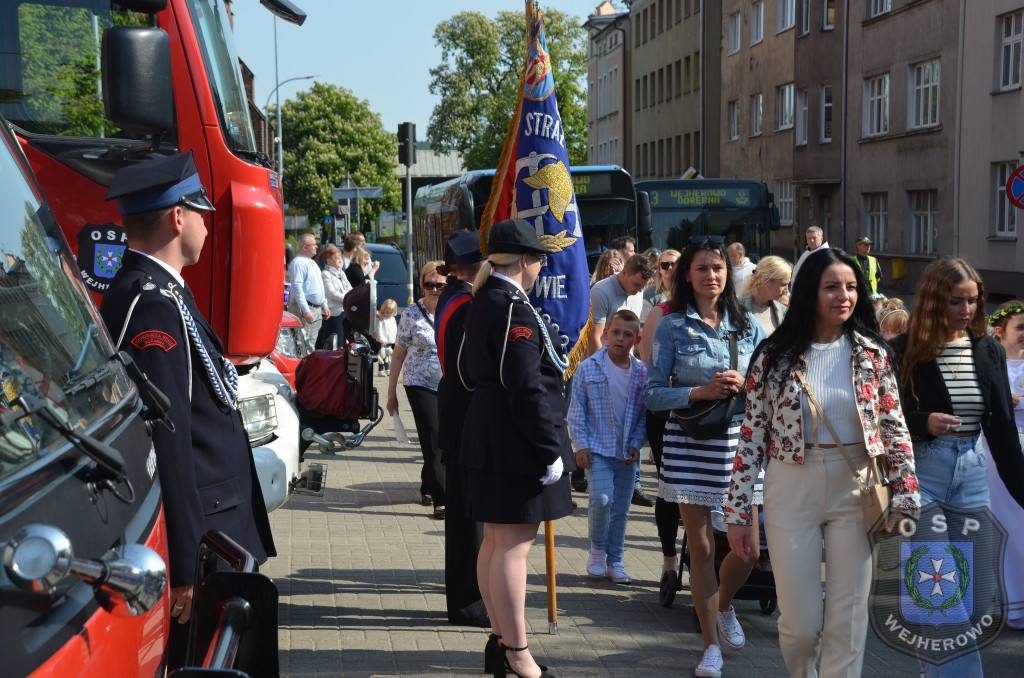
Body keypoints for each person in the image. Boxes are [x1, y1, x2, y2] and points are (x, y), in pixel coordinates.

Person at [100, 152, 275, 670]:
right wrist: (183, 565)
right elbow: (166, 438)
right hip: (204, 537)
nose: (206, 223)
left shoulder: (163, 292)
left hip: (217, 523)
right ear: (178, 217)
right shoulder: (152, 302)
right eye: (201, 212)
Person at [725, 248, 920, 678]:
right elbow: (752, 435)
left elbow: (894, 429)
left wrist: (906, 495)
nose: (844, 296)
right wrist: (739, 511)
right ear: (809, 290)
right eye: (832, 286)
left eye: (851, 287)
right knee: (801, 625)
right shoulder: (773, 356)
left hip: (859, 486)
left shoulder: (874, 354)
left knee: (847, 624)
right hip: (791, 484)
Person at [892, 258, 1024, 677]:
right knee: (940, 596)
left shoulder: (987, 348)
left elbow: (1002, 426)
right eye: (955, 301)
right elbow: (884, 419)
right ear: (933, 301)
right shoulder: (901, 350)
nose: (966, 309)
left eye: (973, 300)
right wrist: (923, 421)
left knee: (969, 601)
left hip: (972, 472)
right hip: (922, 473)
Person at [643, 235, 767, 678]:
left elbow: (772, 384)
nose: (711, 275)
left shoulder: (749, 325)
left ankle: (725, 605)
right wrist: (700, 390)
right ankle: (709, 646)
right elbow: (653, 394)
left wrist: (747, 383)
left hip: (739, 447)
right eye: (702, 269)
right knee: (699, 550)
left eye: (717, 268)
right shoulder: (673, 326)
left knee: (748, 550)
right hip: (689, 443)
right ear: (687, 276)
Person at [458, 218, 574, 678]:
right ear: (526, 260)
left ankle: (501, 641)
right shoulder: (511, 307)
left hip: (491, 433)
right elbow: (525, 387)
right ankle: (517, 651)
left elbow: (468, 373)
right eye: (540, 257)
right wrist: (549, 448)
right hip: (514, 440)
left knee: (495, 544)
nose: (543, 264)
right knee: (511, 548)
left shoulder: (486, 299)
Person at [434, 231, 489, 628]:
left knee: (464, 516)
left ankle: (465, 598)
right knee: (468, 521)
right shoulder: (468, 305)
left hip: (454, 409)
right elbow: (471, 372)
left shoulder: (453, 296)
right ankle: (469, 603)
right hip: (466, 413)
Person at [569, 310, 648, 585]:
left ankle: (615, 559)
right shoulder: (588, 367)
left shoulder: (641, 373)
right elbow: (577, 409)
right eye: (615, 332)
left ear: (636, 340)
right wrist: (580, 445)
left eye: (628, 335)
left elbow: (642, 415)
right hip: (597, 448)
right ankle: (597, 550)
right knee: (601, 499)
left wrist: (637, 443)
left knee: (621, 507)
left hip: (627, 453)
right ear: (605, 334)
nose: (620, 339)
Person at [588, 253, 657, 507]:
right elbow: (595, 337)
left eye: (643, 286)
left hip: (628, 366)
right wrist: (600, 371)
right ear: (624, 272)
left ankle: (634, 483)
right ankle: (586, 468)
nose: (639, 290)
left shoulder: (638, 292)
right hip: (604, 365)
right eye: (637, 284)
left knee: (633, 423)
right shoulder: (601, 291)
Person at [387, 261, 447, 519]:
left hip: (450, 383)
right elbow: (398, 355)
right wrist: (391, 393)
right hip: (418, 383)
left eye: (439, 284)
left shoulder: (457, 308)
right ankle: (442, 500)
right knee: (433, 438)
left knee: (444, 439)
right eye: (428, 284)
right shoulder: (410, 314)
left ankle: (427, 484)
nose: (433, 289)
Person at [986, 300, 1024, 630]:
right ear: (1000, 332)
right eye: (1020, 328)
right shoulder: (992, 364)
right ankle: (1003, 600)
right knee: (1004, 518)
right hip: (998, 452)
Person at [287, 232, 331, 342]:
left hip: (316, 309)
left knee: (311, 343)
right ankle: (304, 360)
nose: (317, 246)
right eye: (314, 244)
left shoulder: (312, 262)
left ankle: (308, 359)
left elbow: (318, 285)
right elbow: (297, 288)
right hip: (308, 308)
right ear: (304, 247)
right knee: (304, 343)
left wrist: (323, 304)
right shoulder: (298, 263)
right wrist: (306, 310)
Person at [738, 255, 792, 335]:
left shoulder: (783, 311)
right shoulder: (737, 309)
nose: (786, 290)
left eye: (788, 285)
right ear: (766, 280)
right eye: (783, 285)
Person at [319, 245, 351, 349]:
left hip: (345, 311)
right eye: (337, 258)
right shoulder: (325, 274)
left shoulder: (341, 273)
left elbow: (350, 289)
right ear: (328, 260)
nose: (340, 261)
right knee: (336, 345)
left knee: (344, 343)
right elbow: (331, 293)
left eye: (340, 258)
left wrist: (350, 297)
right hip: (334, 314)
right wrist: (347, 298)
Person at [642, 248, 681, 322]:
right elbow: (643, 325)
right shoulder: (650, 293)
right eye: (665, 265)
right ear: (659, 269)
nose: (669, 268)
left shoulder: (688, 292)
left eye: (674, 264)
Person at [376, 299, 398, 376]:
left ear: (394, 312)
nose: (388, 314)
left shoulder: (393, 319)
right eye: (387, 312)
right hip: (383, 341)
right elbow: (378, 329)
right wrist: (381, 339)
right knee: (382, 355)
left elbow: (395, 329)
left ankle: (387, 369)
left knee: (388, 356)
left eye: (391, 312)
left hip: (390, 341)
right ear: (383, 310)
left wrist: (395, 339)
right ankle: (381, 370)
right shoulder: (381, 319)